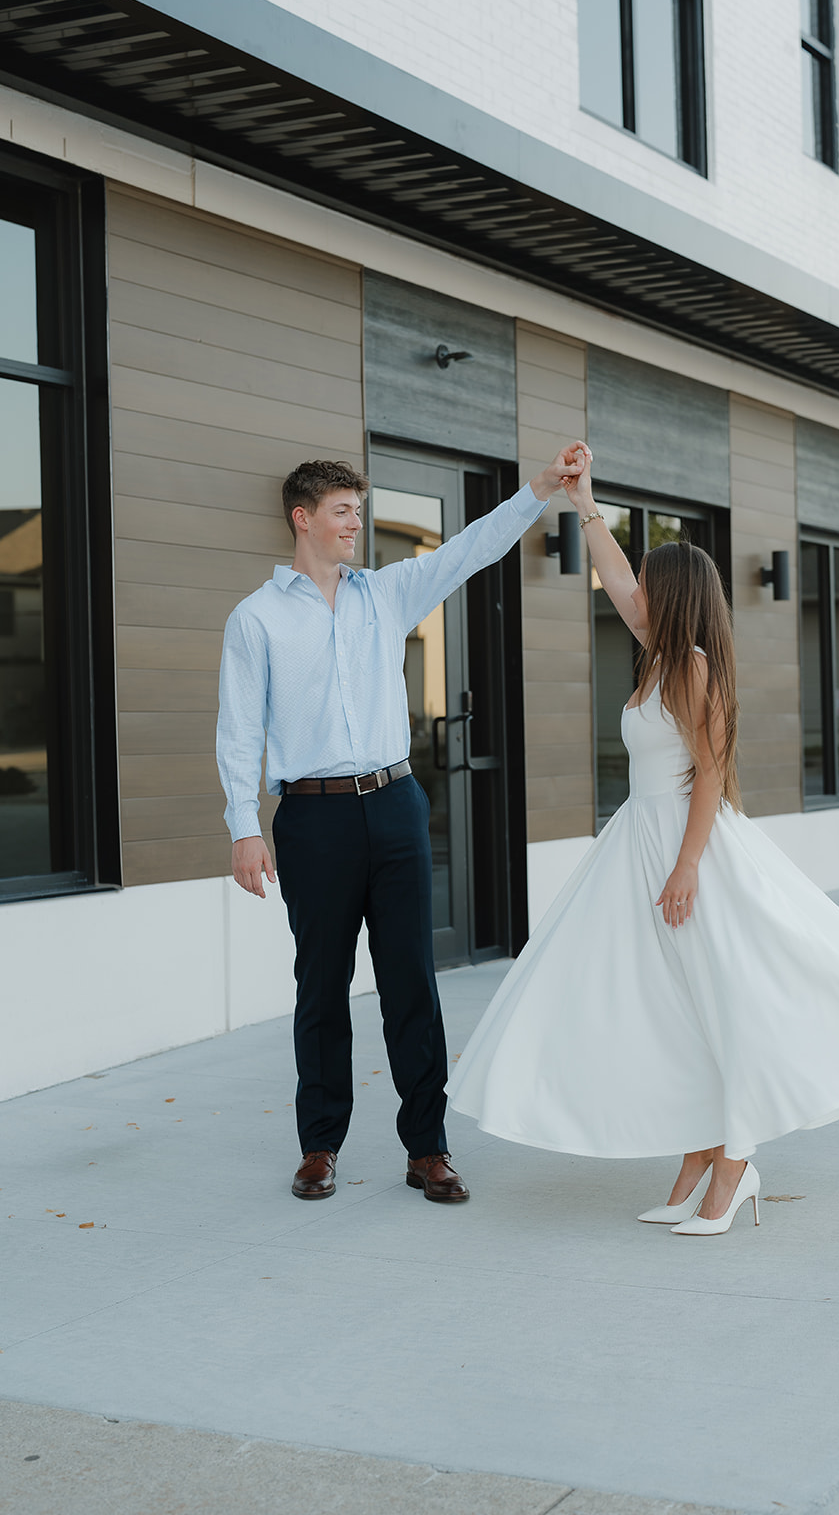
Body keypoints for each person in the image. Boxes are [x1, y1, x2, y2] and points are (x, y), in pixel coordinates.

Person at [447, 444, 839, 1237]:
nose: (635, 598)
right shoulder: (656, 655)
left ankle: (734, 1161)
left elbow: (708, 773)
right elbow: (616, 579)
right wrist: (584, 501)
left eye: (649, 589)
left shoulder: (691, 668)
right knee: (669, 1006)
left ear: (675, 598)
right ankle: (697, 1154)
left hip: (685, 849)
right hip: (638, 844)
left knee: (727, 999)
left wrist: (687, 865)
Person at [216, 444, 583, 1204]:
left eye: (358, 510)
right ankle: (319, 1146)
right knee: (320, 986)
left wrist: (540, 490)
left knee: (410, 981)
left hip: (393, 805)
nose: (356, 523)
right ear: (303, 518)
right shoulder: (255, 619)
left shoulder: (383, 594)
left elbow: (469, 548)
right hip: (311, 818)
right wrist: (242, 824)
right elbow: (238, 729)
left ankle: (428, 1150)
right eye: (343, 512)